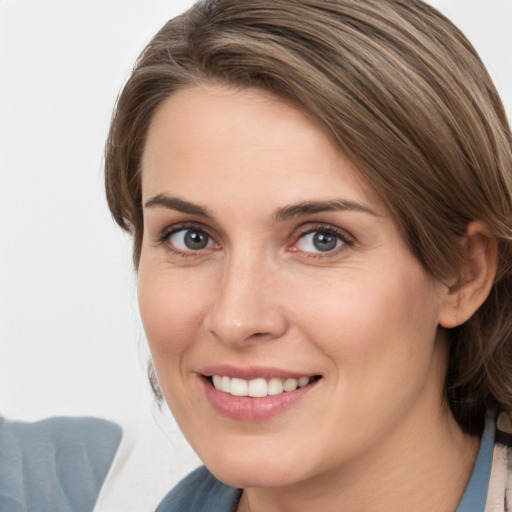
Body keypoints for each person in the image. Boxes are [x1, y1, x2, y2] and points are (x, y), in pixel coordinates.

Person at [104, 0, 512, 510]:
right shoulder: (72, 488)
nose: (235, 319)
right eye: (192, 237)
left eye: (322, 239)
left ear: (462, 275)